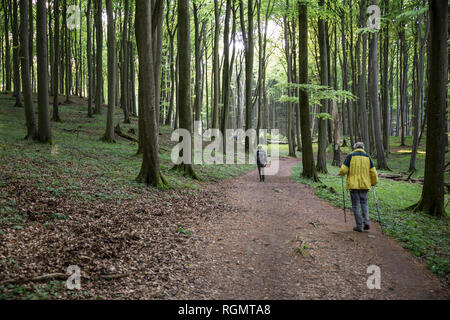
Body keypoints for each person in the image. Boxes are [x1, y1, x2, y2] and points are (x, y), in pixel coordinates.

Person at [339, 142, 378, 232]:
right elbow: (374, 173)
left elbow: (343, 170)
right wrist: (373, 183)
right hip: (365, 185)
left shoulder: (350, 156)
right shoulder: (368, 157)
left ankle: (359, 226)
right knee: (364, 204)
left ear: (355, 147)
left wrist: (340, 172)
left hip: (353, 185)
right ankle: (367, 222)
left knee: (356, 205)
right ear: (363, 148)